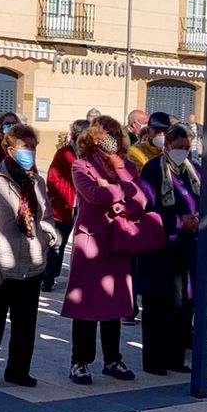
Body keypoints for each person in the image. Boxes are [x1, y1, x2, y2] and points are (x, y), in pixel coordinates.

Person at [0, 121, 55, 387]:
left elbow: (47, 215)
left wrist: (47, 236)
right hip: (1, 263)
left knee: (25, 323)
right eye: (23, 146)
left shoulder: (37, 182)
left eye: (32, 146)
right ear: (9, 149)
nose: (29, 151)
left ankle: (19, 370)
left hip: (31, 263)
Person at [61, 117, 142, 384]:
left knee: (115, 301)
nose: (113, 139)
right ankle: (80, 361)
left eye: (116, 134)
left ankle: (113, 359)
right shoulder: (81, 165)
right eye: (107, 134)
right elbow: (93, 196)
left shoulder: (126, 165)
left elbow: (140, 199)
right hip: (91, 242)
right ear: (94, 137)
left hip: (117, 240)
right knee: (86, 303)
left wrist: (116, 183)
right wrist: (121, 194)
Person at [136, 122, 203, 373]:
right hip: (161, 249)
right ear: (168, 145)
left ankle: (176, 358)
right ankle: (154, 361)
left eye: (187, 147)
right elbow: (147, 209)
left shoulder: (194, 170)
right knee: (158, 305)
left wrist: (198, 219)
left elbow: (204, 200)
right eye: (178, 147)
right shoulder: (153, 170)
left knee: (183, 305)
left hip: (188, 249)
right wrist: (177, 220)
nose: (183, 151)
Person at [43, 119, 86, 294]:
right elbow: (52, 178)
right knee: (58, 242)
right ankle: (49, 277)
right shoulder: (63, 153)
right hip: (65, 204)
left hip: (83, 205)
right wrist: (63, 194)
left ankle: (77, 276)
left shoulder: (89, 154)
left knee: (80, 242)